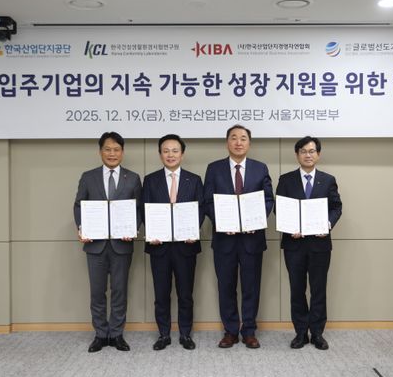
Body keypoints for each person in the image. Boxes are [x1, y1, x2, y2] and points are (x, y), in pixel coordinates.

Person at [203, 125, 274, 349]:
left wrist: (256, 221)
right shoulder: (214, 168)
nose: (238, 142)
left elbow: (268, 200)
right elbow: (207, 201)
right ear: (227, 142)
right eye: (234, 138)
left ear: (249, 143)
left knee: (251, 287)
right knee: (226, 286)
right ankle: (231, 331)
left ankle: (249, 331)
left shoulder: (260, 168)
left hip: (252, 240)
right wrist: (222, 223)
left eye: (243, 138)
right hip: (224, 239)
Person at [74, 131, 142, 353]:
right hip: (95, 245)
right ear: (100, 151)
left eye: (116, 150)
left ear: (122, 152)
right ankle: (101, 334)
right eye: (107, 149)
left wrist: (133, 228)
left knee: (120, 291)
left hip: (122, 244)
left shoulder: (133, 178)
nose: (112, 153)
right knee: (97, 292)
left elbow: (138, 209)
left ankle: (117, 334)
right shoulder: (88, 177)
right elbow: (79, 205)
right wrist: (82, 228)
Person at [276, 136, 342, 350]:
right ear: (297, 155)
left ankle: (317, 333)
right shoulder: (286, 180)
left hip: (320, 245)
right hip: (294, 244)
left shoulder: (328, 180)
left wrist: (328, 224)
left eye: (312, 151)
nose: (308, 155)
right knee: (297, 289)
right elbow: (279, 208)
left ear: (318, 155)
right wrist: (289, 227)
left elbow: (336, 207)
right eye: (303, 151)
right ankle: (300, 333)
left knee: (318, 289)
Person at [142, 134, 204, 351]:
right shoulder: (150, 180)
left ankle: (185, 334)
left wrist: (194, 230)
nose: (170, 155)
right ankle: (164, 334)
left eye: (175, 151)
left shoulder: (194, 180)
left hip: (186, 245)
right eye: (166, 151)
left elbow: (200, 209)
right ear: (160, 154)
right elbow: (144, 210)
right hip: (159, 246)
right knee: (161, 294)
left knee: (185, 294)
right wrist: (151, 231)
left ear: (182, 154)